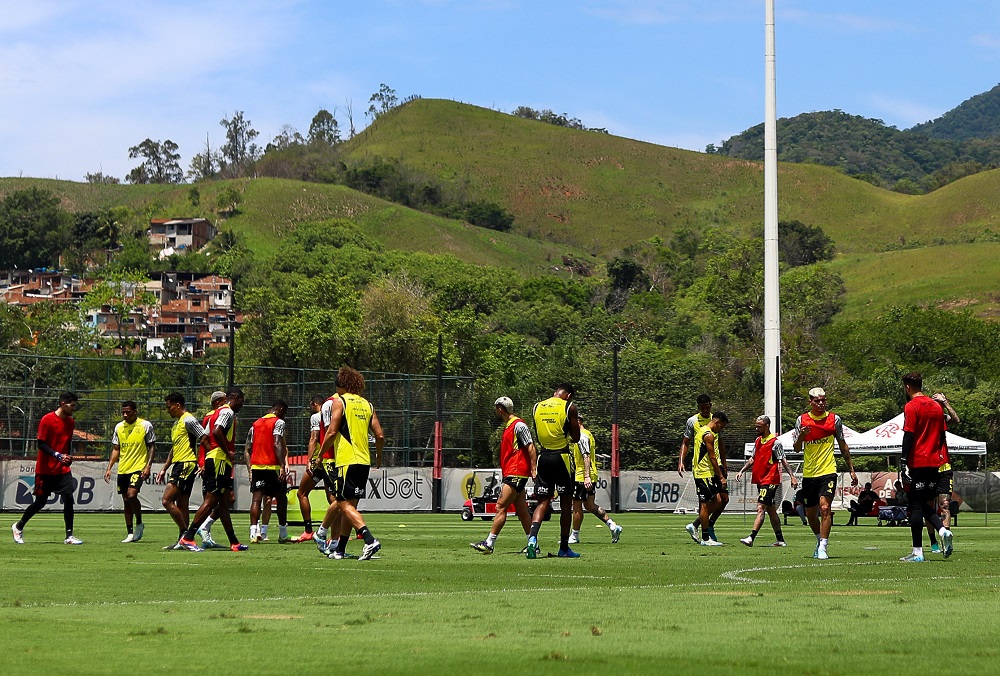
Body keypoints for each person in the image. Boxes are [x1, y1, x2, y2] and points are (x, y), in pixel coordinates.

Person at [313, 366, 385, 561]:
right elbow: (379, 435)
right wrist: (378, 457)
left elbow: (332, 432)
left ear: (343, 385)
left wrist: (319, 455)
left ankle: (369, 540)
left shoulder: (340, 401)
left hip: (347, 460)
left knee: (343, 503)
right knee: (350, 506)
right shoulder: (367, 405)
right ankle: (340, 550)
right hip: (364, 461)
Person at [178, 388, 248, 552]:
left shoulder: (216, 413)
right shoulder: (227, 412)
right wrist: (227, 452)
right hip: (219, 460)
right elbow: (216, 432)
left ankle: (234, 542)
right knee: (211, 500)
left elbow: (207, 434)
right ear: (235, 398)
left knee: (223, 502)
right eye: (241, 401)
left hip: (215, 458)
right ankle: (188, 537)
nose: (241, 405)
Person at [791, 387, 858, 560]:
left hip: (828, 470)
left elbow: (843, 445)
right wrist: (801, 437)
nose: (821, 403)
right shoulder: (802, 420)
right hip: (809, 474)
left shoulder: (834, 419)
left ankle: (823, 547)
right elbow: (797, 449)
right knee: (810, 514)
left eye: (823, 400)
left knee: (825, 508)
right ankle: (818, 540)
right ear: (810, 402)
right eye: (817, 400)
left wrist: (851, 469)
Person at [11, 392, 83, 545]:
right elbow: (41, 444)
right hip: (45, 470)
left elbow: (67, 442)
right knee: (40, 502)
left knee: (68, 496)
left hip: (62, 470)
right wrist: (57, 455)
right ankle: (18, 526)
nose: (74, 408)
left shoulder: (70, 422)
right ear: (63, 404)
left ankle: (69, 536)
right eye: (72, 405)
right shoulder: (47, 420)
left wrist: (67, 457)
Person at [470, 396, 537, 554]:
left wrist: (534, 469)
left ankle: (489, 543)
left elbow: (531, 447)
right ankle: (533, 543)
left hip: (517, 472)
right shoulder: (509, 426)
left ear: (500, 409)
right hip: (514, 471)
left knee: (500, 506)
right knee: (521, 509)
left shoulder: (518, 425)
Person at [899, 372, 953, 562]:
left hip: (918, 461)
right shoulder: (936, 407)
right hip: (935, 462)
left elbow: (909, 434)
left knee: (915, 505)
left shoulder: (911, 406)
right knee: (924, 503)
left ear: (907, 387)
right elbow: (942, 435)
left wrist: (904, 460)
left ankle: (917, 552)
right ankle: (942, 530)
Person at [525, 384, 583, 559]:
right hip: (562, 458)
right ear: (569, 395)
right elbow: (576, 437)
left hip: (543, 457)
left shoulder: (537, 406)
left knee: (543, 502)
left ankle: (532, 540)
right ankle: (564, 548)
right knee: (566, 505)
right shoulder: (569, 407)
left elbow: (536, 432)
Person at [736, 415, 798, 547]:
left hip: (770, 479)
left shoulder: (775, 442)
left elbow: (783, 460)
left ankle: (751, 537)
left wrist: (792, 476)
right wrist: (742, 470)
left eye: (759, 426)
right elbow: (753, 459)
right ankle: (780, 540)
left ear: (767, 426)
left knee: (760, 507)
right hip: (760, 479)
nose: (756, 428)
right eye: (756, 425)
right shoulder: (758, 440)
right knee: (771, 510)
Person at [157, 392, 207, 547]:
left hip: (186, 464)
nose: (168, 410)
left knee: (166, 500)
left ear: (177, 405)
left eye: (169, 406)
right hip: (179, 464)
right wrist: (165, 468)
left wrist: (205, 461)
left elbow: (204, 437)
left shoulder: (189, 420)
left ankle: (186, 534)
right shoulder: (176, 424)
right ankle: (183, 541)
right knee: (182, 503)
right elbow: (174, 448)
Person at [104, 400, 156, 543]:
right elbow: (116, 449)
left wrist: (148, 466)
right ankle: (130, 532)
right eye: (123, 412)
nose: (125, 415)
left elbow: (152, 446)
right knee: (126, 500)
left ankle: (139, 523)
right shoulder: (119, 427)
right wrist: (109, 468)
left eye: (128, 412)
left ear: (135, 412)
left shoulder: (145, 425)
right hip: (123, 469)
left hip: (138, 467)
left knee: (132, 495)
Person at [568, 414, 622, 545]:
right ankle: (612, 525)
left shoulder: (581, 436)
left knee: (576, 505)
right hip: (590, 474)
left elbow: (586, 456)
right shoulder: (587, 434)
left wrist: (586, 477)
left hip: (583, 476)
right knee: (590, 505)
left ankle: (574, 535)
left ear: (578, 421)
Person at [680, 394, 725, 542]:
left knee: (722, 499)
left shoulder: (716, 420)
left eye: (707, 407)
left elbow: (721, 444)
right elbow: (686, 442)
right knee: (706, 502)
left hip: (715, 466)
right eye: (702, 408)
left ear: (711, 405)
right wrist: (681, 461)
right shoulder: (693, 422)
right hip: (704, 468)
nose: (705, 410)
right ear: (698, 407)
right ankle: (706, 533)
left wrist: (723, 465)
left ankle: (700, 524)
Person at [246, 401, 291, 543]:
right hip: (272, 467)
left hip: (257, 466)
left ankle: (253, 533)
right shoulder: (278, 422)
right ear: (280, 409)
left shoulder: (255, 424)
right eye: (284, 412)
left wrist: (250, 469)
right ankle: (283, 533)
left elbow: (247, 449)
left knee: (256, 499)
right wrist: (282, 465)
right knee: (281, 498)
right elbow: (277, 443)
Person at [292, 395, 333, 542]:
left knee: (302, 493)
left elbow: (313, 439)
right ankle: (341, 533)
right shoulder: (335, 415)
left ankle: (308, 530)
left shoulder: (317, 416)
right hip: (332, 460)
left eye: (311, 405)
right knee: (334, 498)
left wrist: (309, 461)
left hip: (319, 461)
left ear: (315, 404)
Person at [195, 390, 228, 547]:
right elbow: (204, 440)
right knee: (211, 500)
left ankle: (205, 531)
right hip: (215, 461)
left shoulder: (224, 414)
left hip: (222, 461)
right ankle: (199, 530)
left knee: (224, 500)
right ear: (217, 403)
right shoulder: (212, 416)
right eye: (224, 400)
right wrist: (202, 462)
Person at [693, 412, 729, 546]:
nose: (721, 430)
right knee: (705, 505)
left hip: (704, 472)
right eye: (722, 427)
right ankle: (705, 538)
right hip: (704, 473)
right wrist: (720, 476)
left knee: (718, 500)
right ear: (718, 422)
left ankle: (696, 525)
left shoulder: (702, 430)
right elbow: (712, 457)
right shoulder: (708, 435)